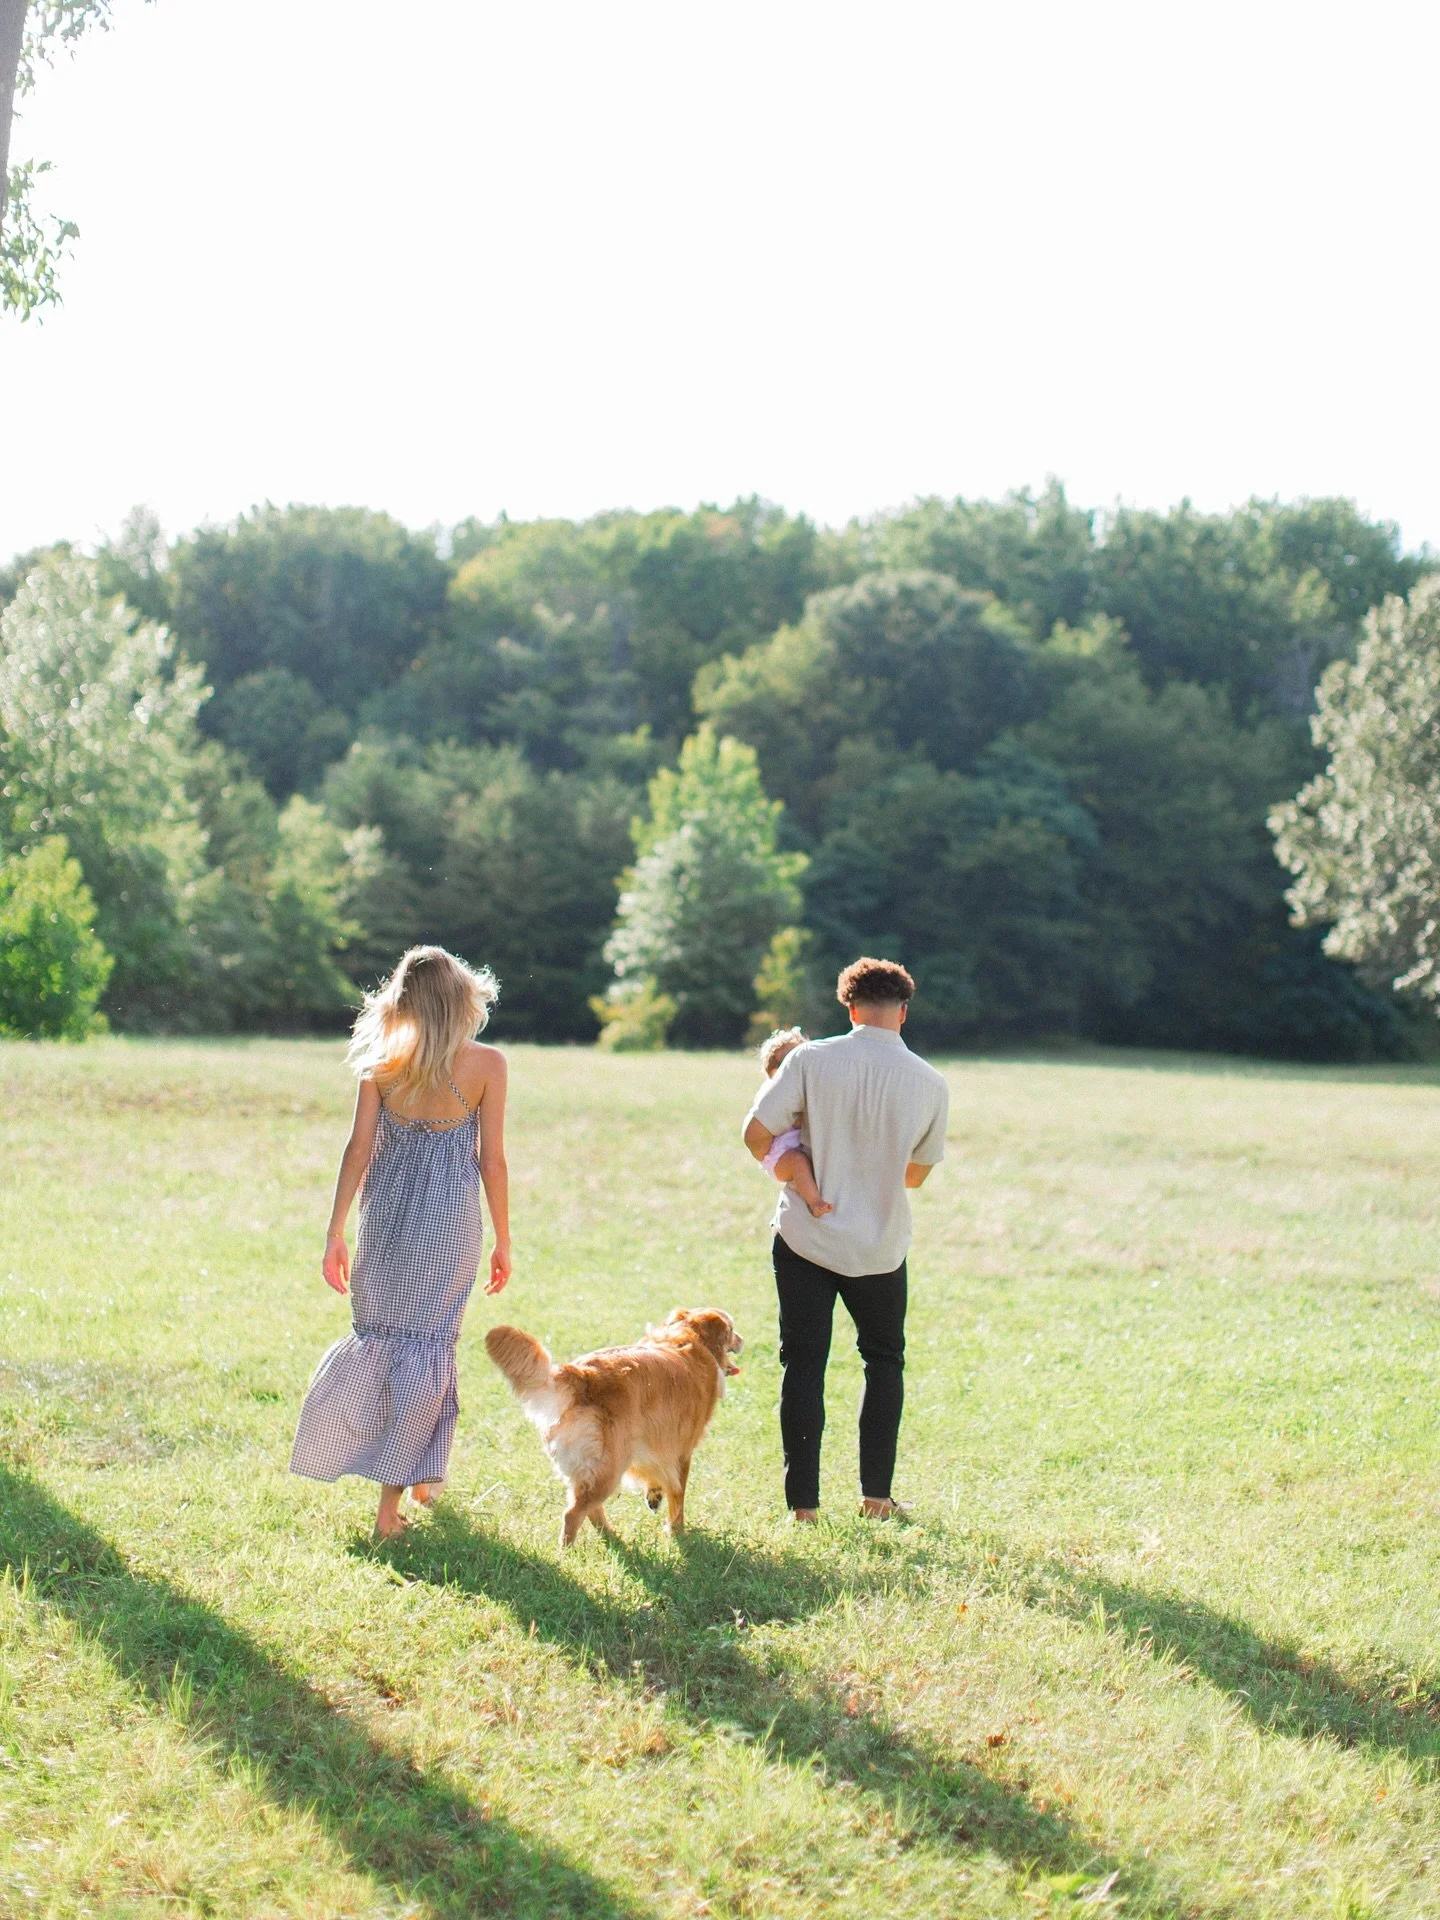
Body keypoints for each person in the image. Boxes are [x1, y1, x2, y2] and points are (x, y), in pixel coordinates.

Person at [290, 945, 511, 1538]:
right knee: (428, 1348)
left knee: (388, 1343)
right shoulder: (487, 1065)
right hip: (450, 1227)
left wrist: (335, 1232)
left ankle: (423, 1473)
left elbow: (357, 1151)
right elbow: (493, 1161)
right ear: (462, 1001)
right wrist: (504, 1240)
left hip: (384, 1223)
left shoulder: (384, 1064)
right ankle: (390, 1513)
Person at [742, 957, 948, 1524]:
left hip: (807, 1238)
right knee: (884, 1363)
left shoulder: (811, 1059)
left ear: (850, 1008)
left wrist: (797, 1165)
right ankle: (876, 1498)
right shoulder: (931, 1083)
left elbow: (755, 1133)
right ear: (902, 1014)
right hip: (881, 1244)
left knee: (802, 1365)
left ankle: (803, 1508)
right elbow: (915, 1175)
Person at [754, 1026, 832, 1218]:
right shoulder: (773, 1091)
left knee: (806, 1163)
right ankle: (815, 1203)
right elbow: (793, 1121)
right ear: (774, 1072)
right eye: (791, 1060)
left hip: (794, 1148)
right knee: (798, 1163)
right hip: (779, 1155)